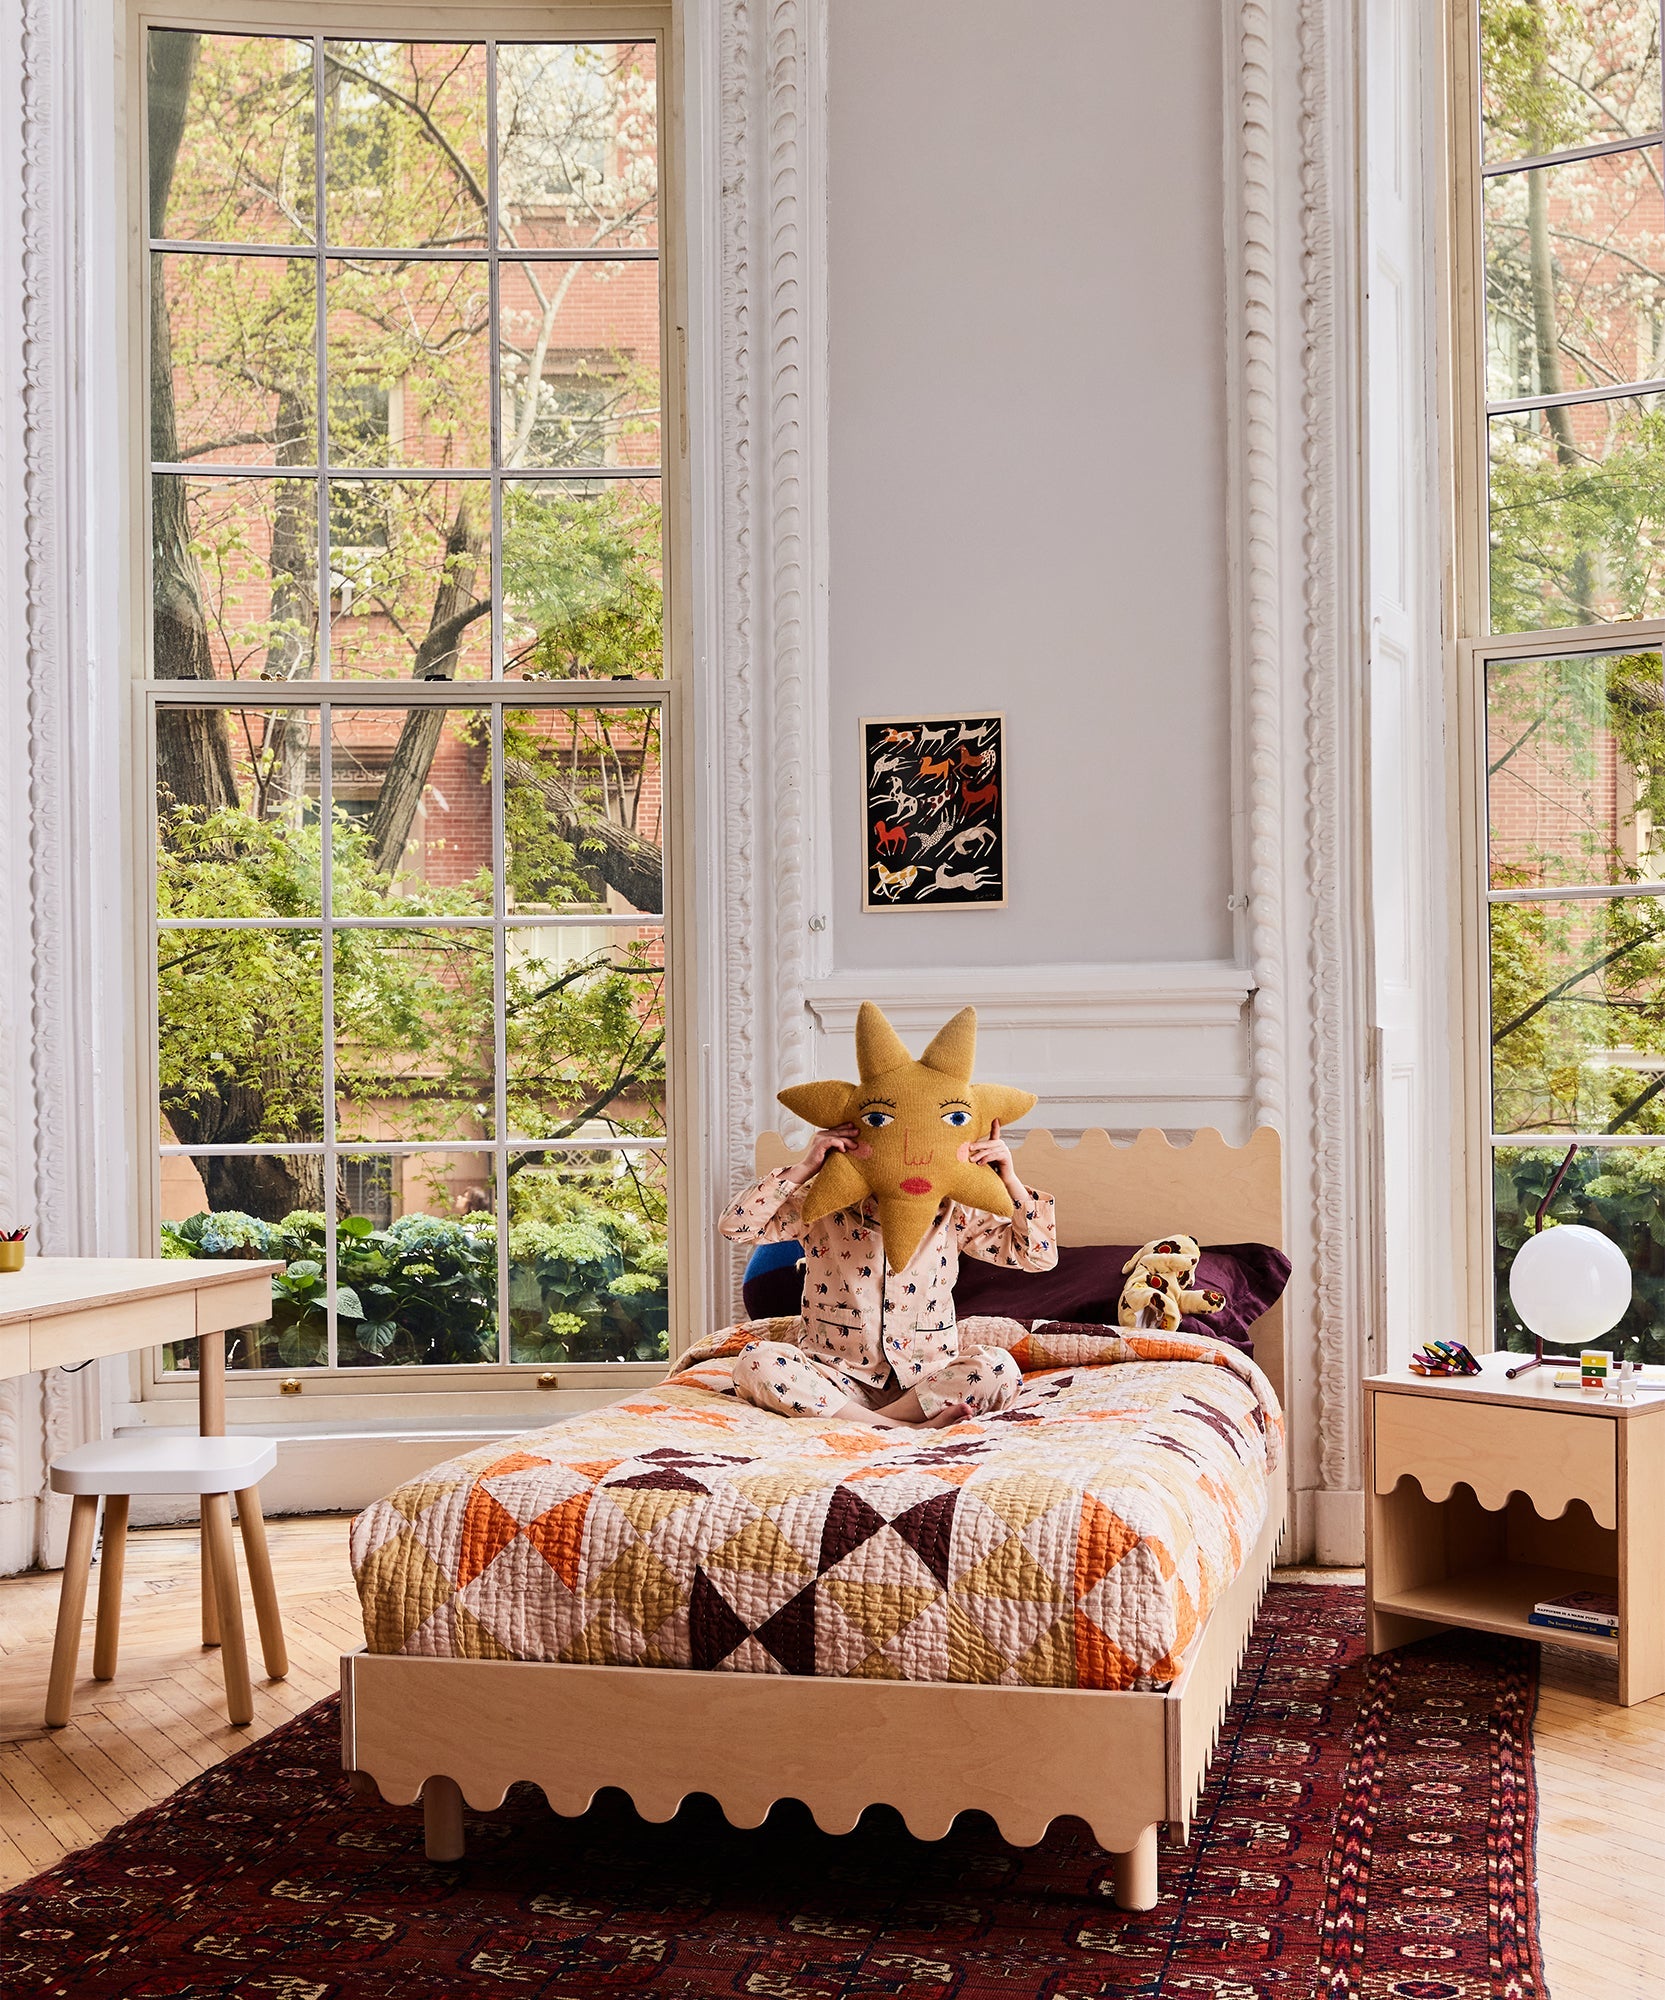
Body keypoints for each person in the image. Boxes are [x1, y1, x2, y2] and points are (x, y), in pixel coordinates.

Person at [719, 1118, 1057, 1428]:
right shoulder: (818, 1203)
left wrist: (1009, 1179)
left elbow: (1039, 1256)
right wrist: (807, 1167)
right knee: (756, 1360)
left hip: (926, 1385)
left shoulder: (955, 1210)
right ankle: (896, 1429)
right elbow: (736, 1226)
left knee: (1000, 1368)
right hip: (836, 1381)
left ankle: (877, 1422)